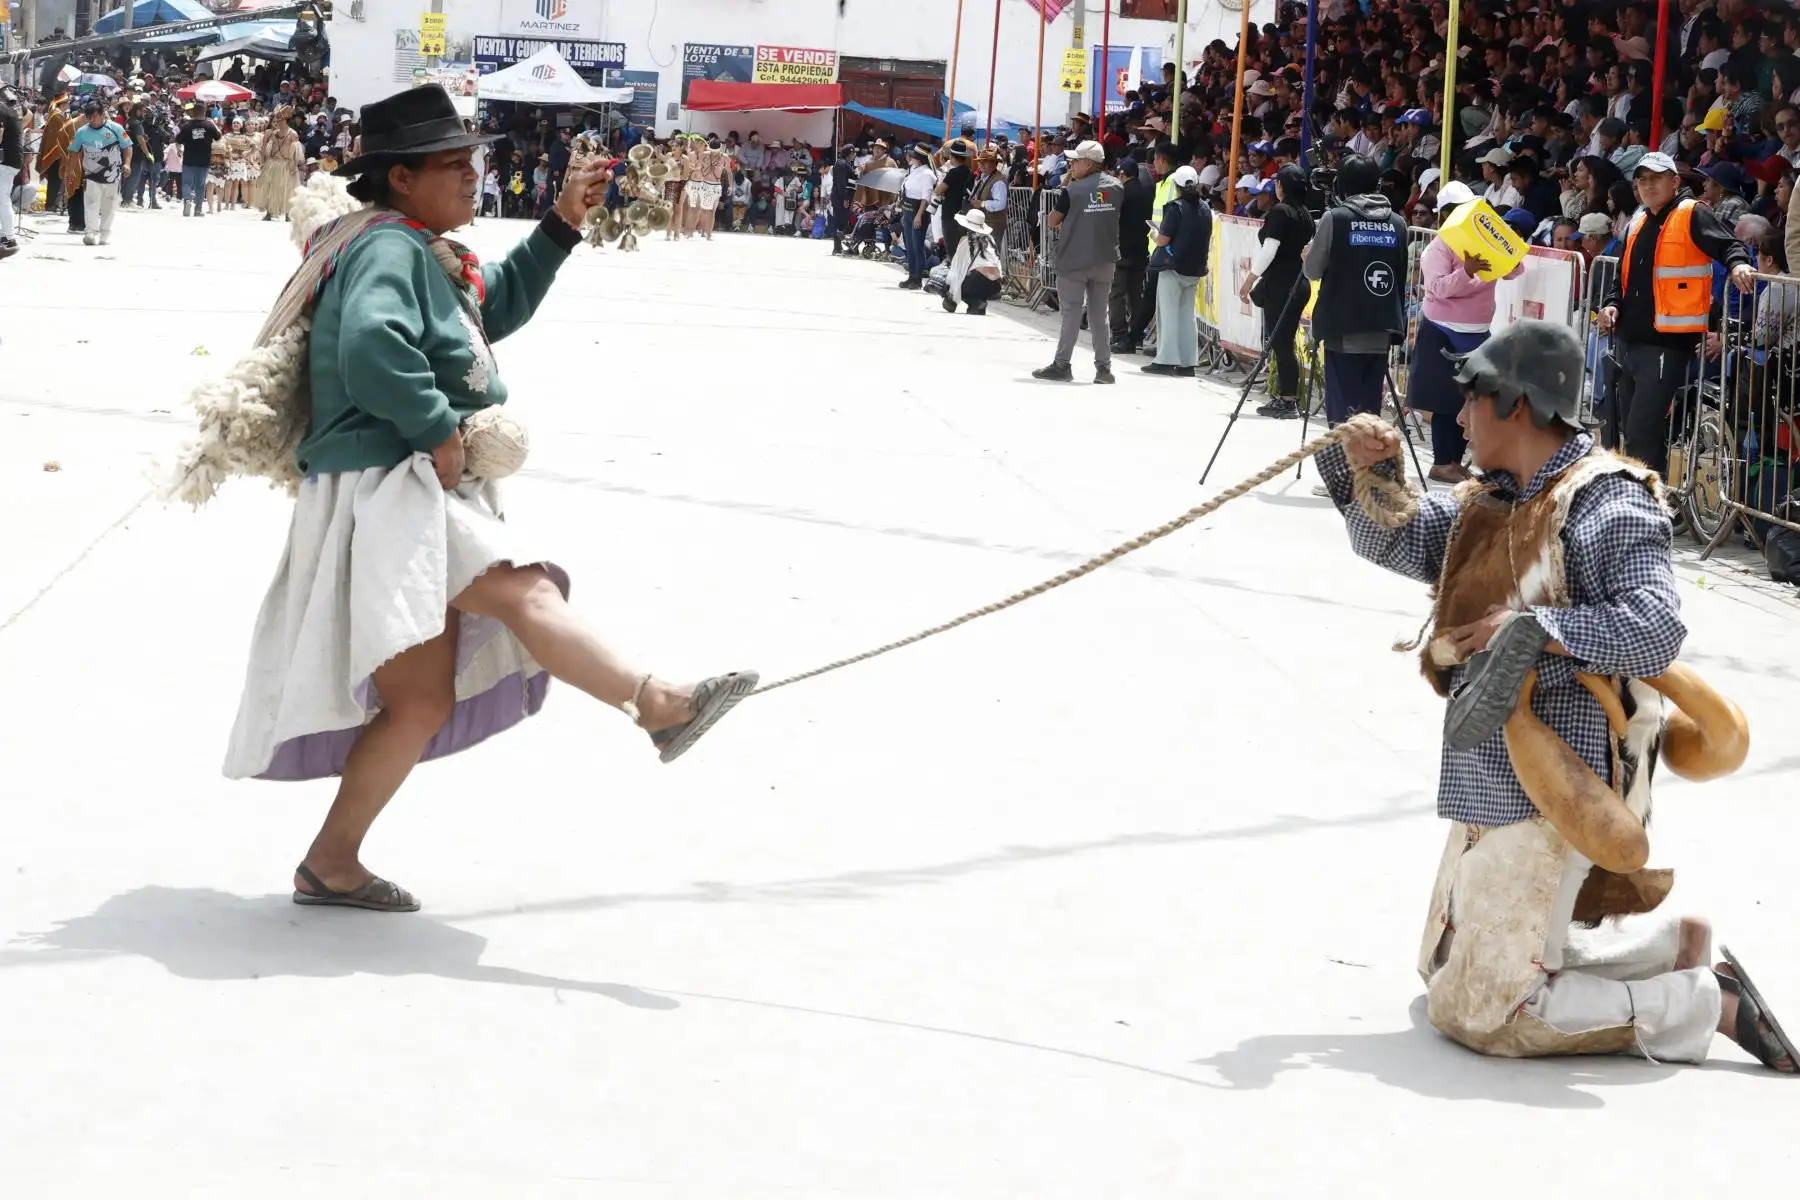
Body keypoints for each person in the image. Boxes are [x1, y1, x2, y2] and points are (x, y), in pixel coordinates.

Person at [181, 86, 755, 912]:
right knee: (526, 589)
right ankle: (657, 703)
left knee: (420, 700)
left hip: (388, 481)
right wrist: (436, 429)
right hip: (391, 486)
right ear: (401, 178)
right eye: (454, 166)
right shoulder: (389, 250)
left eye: (471, 161)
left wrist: (560, 221)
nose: (471, 177)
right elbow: (374, 345)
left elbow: (489, 317)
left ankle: (330, 865)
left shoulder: (415, 247)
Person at [1319, 319, 1791, 1075]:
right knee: (1443, 970)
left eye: (1472, 398)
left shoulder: (1609, 501)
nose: (1458, 414)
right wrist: (1363, 472)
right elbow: (1397, 539)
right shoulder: (1494, 499)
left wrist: (1536, 628)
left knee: (1486, 1009)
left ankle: (1707, 1004)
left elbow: (1657, 627)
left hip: (1563, 790)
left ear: (1518, 406)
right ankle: (1677, 947)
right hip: (1495, 779)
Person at [1597, 153, 1754, 477]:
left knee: (1641, 431)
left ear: (1675, 181)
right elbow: (1621, 280)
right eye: (1642, 180)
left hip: (1666, 344)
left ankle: (1647, 506)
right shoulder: (1638, 220)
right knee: (1633, 430)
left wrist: (1738, 263)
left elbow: (1729, 245)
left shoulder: (1692, 213)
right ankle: (1655, 501)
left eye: (1656, 178)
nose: (1648, 185)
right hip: (1630, 340)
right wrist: (1612, 305)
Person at [1407, 180, 1527, 484]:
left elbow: (1515, 270)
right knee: (1446, 400)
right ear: (1445, 216)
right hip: (1443, 330)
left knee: (1471, 401)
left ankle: (1456, 461)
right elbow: (1438, 288)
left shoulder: (1483, 242)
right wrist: (1467, 271)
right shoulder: (1437, 248)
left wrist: (1504, 241)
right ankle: (1441, 461)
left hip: (1478, 332)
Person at [1303, 153, 1408, 431]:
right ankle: (1368, 467)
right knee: (1369, 411)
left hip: (1343, 328)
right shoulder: (1398, 224)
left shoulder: (1335, 218)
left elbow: (1312, 271)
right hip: (1382, 328)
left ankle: (1347, 470)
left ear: (1341, 185)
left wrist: (1307, 255)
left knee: (1344, 414)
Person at [1033, 140, 1121, 386]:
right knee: (1099, 315)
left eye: (1075, 161)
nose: (1071, 165)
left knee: (1071, 313)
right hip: (1105, 259)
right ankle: (1104, 369)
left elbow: (1052, 220)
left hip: (1074, 259)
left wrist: (1067, 186)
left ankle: (1062, 364)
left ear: (1089, 164)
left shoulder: (1073, 190)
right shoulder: (1117, 187)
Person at [1242, 164, 1317, 418]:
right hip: (1299, 282)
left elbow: (1269, 250)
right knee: (1283, 341)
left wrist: (1249, 280)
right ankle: (1286, 395)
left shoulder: (1281, 212)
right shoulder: (1304, 213)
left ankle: (1288, 399)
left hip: (1282, 284)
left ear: (1282, 186)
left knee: (1281, 343)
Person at [1143, 165, 1211, 378]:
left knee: (1168, 313)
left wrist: (1155, 235)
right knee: (1187, 316)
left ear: (1177, 185)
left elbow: (1164, 239)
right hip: (1195, 268)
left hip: (1173, 266)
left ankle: (1166, 359)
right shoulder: (1206, 208)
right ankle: (1188, 362)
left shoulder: (1176, 207)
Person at [1109, 151, 1156, 355]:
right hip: (1141, 250)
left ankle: (1119, 335)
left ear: (1121, 174)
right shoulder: (1148, 193)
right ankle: (1135, 336)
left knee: (1117, 294)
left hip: (1121, 251)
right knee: (1136, 295)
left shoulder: (1120, 192)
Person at [68, 102, 131, 248]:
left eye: (94, 116)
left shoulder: (116, 128)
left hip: (113, 175)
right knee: (91, 203)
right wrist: (70, 170)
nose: (91, 119)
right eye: (88, 116)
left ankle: (105, 233)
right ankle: (91, 232)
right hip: (91, 175)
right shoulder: (82, 132)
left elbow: (127, 147)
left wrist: (126, 164)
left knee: (109, 206)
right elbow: (73, 152)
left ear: (103, 114)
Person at [941, 209, 1003, 316]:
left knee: (955, 283)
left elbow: (957, 271)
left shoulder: (967, 242)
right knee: (974, 277)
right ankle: (978, 301)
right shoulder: (990, 239)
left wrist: (950, 293)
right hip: (996, 284)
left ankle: (977, 303)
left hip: (977, 281)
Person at [897, 145, 935, 290]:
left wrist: (919, 216)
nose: (910, 157)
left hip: (918, 211)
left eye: (912, 155)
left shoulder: (927, 174)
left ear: (918, 158)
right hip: (908, 210)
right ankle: (912, 275)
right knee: (909, 245)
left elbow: (926, 198)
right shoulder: (913, 170)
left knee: (917, 246)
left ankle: (918, 278)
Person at [258, 106, 304, 221]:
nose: (277, 121)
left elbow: (296, 152)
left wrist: (294, 166)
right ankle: (270, 212)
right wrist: (264, 161)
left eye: (279, 119)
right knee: (271, 188)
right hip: (273, 163)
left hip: (286, 164)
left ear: (284, 120)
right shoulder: (273, 133)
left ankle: (288, 213)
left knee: (287, 188)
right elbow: (268, 148)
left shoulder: (293, 134)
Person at [178, 104, 220, 218]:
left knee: (187, 183)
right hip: (204, 160)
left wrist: (178, 150)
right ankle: (198, 210)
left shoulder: (187, 126)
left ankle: (187, 201)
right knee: (200, 186)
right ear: (205, 111)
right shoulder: (209, 125)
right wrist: (215, 125)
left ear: (193, 112)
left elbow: (178, 140)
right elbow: (218, 137)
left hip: (189, 159)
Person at [0, 86, 21, 261]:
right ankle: (4, 235)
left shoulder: (0, 110)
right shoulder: (9, 110)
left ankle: (8, 237)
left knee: (2, 199)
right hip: (10, 160)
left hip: (5, 162)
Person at [828, 144, 855, 256]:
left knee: (842, 222)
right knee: (840, 222)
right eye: (853, 153)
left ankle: (839, 247)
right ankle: (837, 248)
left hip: (843, 196)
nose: (854, 155)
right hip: (840, 197)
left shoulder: (846, 163)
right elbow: (841, 183)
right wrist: (845, 198)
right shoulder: (841, 164)